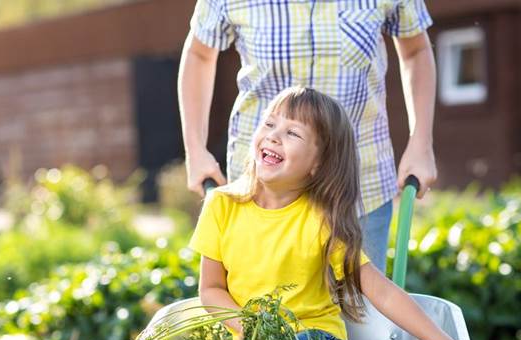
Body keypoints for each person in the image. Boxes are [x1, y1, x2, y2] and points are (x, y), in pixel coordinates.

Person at [188, 87, 486, 340]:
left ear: (317, 163)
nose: (274, 136)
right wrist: (251, 330)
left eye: (293, 133)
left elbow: (379, 290)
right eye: (269, 123)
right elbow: (211, 289)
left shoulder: (321, 219)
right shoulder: (222, 205)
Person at [178, 0, 438, 273]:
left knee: (363, 309)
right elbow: (200, 54)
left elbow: (416, 50)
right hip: (263, 191)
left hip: (360, 187)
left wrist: (421, 143)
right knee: (263, 307)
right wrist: (195, 149)